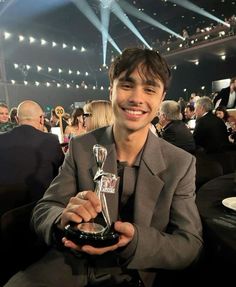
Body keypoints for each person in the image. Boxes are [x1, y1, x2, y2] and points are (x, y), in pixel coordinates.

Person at [4, 48, 203, 287]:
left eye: (149, 89)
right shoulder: (81, 147)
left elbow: (189, 244)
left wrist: (135, 241)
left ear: (161, 99)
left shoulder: (179, 163)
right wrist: (61, 219)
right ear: (111, 91)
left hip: (134, 271)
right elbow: (45, 209)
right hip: (71, 263)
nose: (137, 98)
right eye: (127, 85)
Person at [0, 100, 65, 202]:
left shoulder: (2, 139)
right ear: (41, 119)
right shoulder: (51, 140)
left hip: (6, 209)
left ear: (17, 119)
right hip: (42, 206)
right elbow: (62, 171)